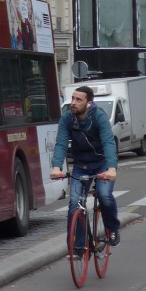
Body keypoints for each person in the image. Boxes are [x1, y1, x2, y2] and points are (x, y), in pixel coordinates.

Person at [50, 85, 121, 248]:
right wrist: (56, 167)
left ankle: (113, 228)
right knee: (75, 204)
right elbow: (61, 143)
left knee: (104, 196)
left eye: (78, 100)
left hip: (102, 164)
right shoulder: (67, 118)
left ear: (89, 103)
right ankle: (78, 246)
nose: (73, 103)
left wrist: (111, 168)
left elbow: (108, 142)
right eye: (73, 99)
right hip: (81, 165)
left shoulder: (99, 117)